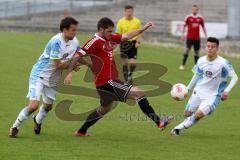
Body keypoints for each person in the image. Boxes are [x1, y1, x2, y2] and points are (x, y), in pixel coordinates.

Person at [64, 17, 173, 137]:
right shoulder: (94, 41)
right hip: (107, 82)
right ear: (101, 29)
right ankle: (159, 122)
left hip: (103, 84)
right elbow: (77, 55)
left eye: (113, 31)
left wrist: (142, 29)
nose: (112, 34)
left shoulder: (110, 38)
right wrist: (69, 72)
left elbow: (126, 36)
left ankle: (81, 131)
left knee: (104, 109)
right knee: (139, 94)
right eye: (109, 31)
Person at [9, 17, 84, 138]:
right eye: (73, 30)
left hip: (53, 78)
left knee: (48, 106)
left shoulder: (75, 41)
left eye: (76, 30)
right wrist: (71, 68)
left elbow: (78, 56)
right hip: (39, 75)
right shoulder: (56, 42)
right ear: (64, 30)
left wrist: (72, 70)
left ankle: (37, 121)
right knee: (33, 106)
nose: (75, 33)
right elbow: (58, 65)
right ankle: (15, 127)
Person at [171, 37, 238, 136]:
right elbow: (197, 75)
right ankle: (184, 125)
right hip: (198, 91)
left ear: (217, 48)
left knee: (199, 114)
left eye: (213, 47)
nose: (210, 48)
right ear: (206, 47)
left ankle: (177, 129)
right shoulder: (201, 60)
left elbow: (235, 77)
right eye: (208, 46)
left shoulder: (223, 63)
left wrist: (226, 91)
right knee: (187, 114)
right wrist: (188, 88)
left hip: (213, 95)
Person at [116, 5, 141, 84]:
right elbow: (118, 34)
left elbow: (139, 32)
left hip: (133, 43)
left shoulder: (137, 21)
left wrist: (138, 41)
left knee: (133, 63)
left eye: (131, 11)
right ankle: (126, 79)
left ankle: (130, 76)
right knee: (125, 63)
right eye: (128, 11)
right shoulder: (121, 22)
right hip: (124, 43)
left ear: (133, 12)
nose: (129, 13)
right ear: (125, 12)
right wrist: (116, 45)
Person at [179, 4, 207, 70]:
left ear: (197, 10)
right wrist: (182, 35)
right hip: (189, 38)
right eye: (193, 9)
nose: (194, 10)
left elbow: (203, 27)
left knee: (196, 52)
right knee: (187, 50)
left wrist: (206, 36)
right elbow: (184, 26)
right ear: (192, 10)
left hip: (197, 38)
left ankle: (196, 67)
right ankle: (183, 64)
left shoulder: (200, 18)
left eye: (196, 9)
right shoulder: (188, 17)